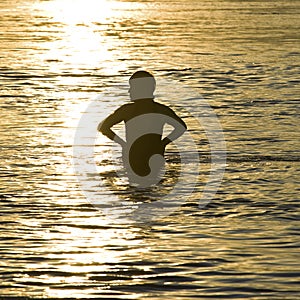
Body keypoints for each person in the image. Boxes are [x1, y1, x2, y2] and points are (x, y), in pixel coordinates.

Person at [98, 70, 187, 187]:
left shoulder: (127, 110)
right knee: (154, 185)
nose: (129, 91)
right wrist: (163, 143)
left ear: (140, 89)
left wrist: (123, 144)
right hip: (155, 157)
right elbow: (181, 127)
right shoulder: (161, 109)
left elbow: (103, 127)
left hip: (132, 157)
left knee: (135, 187)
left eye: (132, 87)